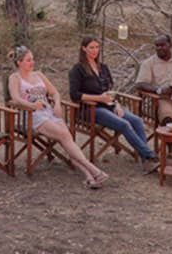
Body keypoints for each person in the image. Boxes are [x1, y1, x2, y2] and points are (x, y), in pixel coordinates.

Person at [7, 46, 110, 189]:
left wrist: (57, 105)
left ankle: (90, 176)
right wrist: (31, 106)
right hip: (31, 115)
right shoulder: (15, 78)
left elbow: (55, 92)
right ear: (19, 62)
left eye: (33, 59)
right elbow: (15, 99)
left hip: (48, 112)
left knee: (67, 138)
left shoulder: (39, 75)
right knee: (64, 135)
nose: (32, 62)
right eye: (28, 60)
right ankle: (92, 169)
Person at [68, 37, 159, 173]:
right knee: (124, 124)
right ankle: (150, 155)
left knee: (137, 121)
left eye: (97, 47)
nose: (95, 51)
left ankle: (146, 160)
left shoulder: (103, 67)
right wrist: (99, 98)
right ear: (83, 49)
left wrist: (116, 104)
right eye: (91, 47)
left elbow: (110, 90)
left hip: (109, 105)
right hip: (90, 109)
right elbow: (74, 95)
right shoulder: (78, 69)